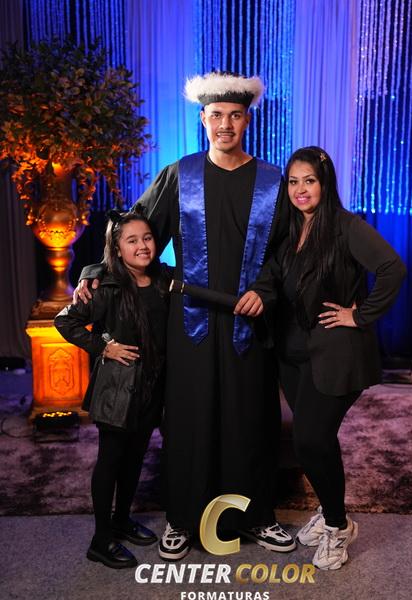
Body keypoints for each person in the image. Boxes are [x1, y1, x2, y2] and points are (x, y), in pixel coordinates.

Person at [75, 72, 295, 560]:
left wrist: (264, 289)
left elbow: (285, 253)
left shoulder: (271, 181)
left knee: (249, 419)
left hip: (247, 320)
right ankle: (182, 518)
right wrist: (95, 270)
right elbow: (136, 229)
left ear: (248, 120)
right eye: (216, 115)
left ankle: (256, 516)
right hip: (190, 319)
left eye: (234, 116)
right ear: (202, 119)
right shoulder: (181, 175)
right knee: (189, 420)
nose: (225, 125)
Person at [251, 146, 406, 570]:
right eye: (293, 182)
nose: (300, 189)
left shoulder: (345, 226)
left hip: (336, 355)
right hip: (293, 357)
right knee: (312, 442)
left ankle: (338, 526)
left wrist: (360, 315)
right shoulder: (288, 229)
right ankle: (329, 510)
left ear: (325, 184)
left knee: (311, 439)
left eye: (310, 181)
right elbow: (273, 280)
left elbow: (393, 269)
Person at [55, 210, 171, 569]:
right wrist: (104, 347)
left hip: (151, 388)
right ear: (117, 249)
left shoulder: (164, 278)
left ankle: (122, 521)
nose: (142, 246)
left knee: (136, 458)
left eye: (147, 238)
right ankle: (101, 539)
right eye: (132, 240)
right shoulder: (104, 286)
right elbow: (65, 321)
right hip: (118, 390)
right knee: (111, 461)